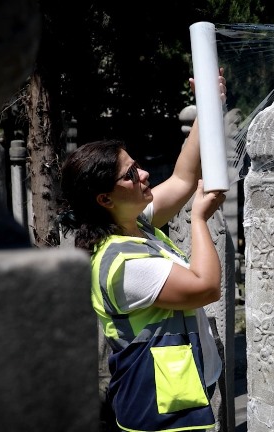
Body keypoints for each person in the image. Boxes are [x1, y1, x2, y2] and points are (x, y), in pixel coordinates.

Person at [58, 70, 228, 432]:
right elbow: (207, 287)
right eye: (130, 174)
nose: (144, 174)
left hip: (184, 382)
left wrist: (208, 105)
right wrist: (198, 220)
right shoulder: (125, 265)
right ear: (105, 199)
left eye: (136, 166)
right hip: (163, 405)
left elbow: (183, 178)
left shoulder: (135, 223)